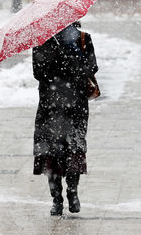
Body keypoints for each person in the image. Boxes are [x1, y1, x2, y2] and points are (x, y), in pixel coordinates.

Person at [32, 21, 98, 216]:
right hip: (53, 107)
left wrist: (67, 62)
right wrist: (60, 60)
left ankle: (71, 193)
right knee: (53, 153)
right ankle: (57, 198)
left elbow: (91, 67)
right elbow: (39, 72)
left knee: (71, 150)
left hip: (69, 106)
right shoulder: (42, 41)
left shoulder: (83, 38)